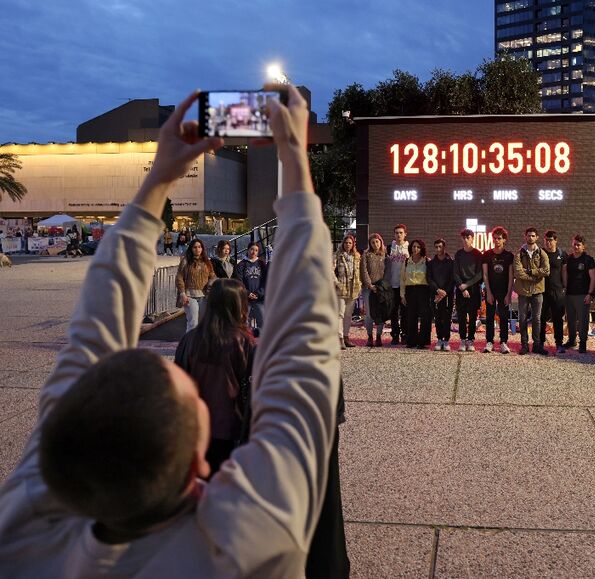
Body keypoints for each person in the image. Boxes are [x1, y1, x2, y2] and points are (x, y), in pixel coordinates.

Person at [0, 85, 342, 576]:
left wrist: (157, 178)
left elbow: (303, 348)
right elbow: (302, 349)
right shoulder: (242, 547)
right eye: (193, 400)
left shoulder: (22, 529)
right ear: (197, 469)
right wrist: (293, 153)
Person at [174, 278, 255, 475]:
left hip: (195, 427)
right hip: (231, 428)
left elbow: (177, 383)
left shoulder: (189, 339)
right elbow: (253, 388)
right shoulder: (243, 342)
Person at [514, 227, 550, 355]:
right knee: (522, 319)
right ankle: (524, 345)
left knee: (537, 319)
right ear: (525, 237)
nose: (530, 238)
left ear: (537, 237)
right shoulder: (519, 253)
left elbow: (546, 271)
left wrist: (530, 271)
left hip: (538, 291)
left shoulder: (542, 253)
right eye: (528, 236)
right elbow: (518, 272)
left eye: (533, 236)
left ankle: (537, 345)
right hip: (523, 292)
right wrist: (534, 276)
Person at [482, 226, 514, 354]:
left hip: (503, 291)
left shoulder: (509, 255)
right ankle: (489, 342)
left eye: (499, 238)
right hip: (491, 290)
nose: (496, 240)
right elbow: (485, 274)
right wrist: (488, 292)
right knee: (489, 317)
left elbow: (511, 276)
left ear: (504, 240)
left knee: (504, 317)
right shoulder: (487, 254)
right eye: (494, 238)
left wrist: (508, 294)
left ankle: (503, 342)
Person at [564, 234, 595, 353]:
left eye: (578, 245)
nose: (576, 247)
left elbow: (593, 278)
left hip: (583, 294)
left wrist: (590, 294)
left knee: (583, 320)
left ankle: (582, 342)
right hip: (569, 294)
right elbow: (566, 275)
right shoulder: (569, 259)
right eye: (574, 244)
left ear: (584, 246)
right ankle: (571, 340)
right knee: (571, 319)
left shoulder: (588, 260)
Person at [176, 238, 216, 332]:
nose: (197, 249)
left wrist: (210, 284)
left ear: (202, 249)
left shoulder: (207, 262)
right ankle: (189, 345)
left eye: (199, 247)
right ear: (191, 249)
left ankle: (199, 345)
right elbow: (179, 277)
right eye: (194, 247)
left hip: (204, 296)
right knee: (193, 323)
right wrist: (182, 294)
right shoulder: (185, 261)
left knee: (203, 323)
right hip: (189, 296)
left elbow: (213, 276)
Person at [454, 228, 483, 352]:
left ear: (472, 238)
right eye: (464, 238)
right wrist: (461, 286)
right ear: (461, 239)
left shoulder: (477, 254)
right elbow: (455, 272)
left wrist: (467, 285)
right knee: (461, 317)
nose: (466, 240)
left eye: (468, 237)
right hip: (461, 289)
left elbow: (479, 274)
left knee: (472, 317)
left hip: (473, 290)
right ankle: (462, 340)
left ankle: (470, 340)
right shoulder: (458, 254)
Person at [400, 239, 432, 349]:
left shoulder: (427, 261)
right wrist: (402, 294)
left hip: (423, 290)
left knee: (425, 317)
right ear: (410, 248)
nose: (415, 249)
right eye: (414, 247)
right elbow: (402, 279)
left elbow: (431, 278)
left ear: (422, 249)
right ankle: (411, 341)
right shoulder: (406, 262)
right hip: (410, 290)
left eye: (418, 247)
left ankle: (422, 341)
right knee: (411, 316)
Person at [539, 230, 567, 353]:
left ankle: (559, 343)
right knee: (541, 318)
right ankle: (540, 342)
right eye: (546, 240)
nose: (548, 243)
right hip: (542, 290)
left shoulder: (561, 254)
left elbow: (564, 272)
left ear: (555, 240)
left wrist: (565, 287)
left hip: (557, 291)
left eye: (550, 240)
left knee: (557, 318)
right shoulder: (540, 253)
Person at [334, 234, 362, 350]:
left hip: (353, 288)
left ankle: (346, 336)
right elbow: (330, 271)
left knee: (348, 315)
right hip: (341, 288)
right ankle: (339, 338)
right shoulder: (337, 256)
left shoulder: (356, 256)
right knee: (340, 314)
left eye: (350, 243)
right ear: (343, 243)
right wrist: (337, 283)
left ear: (353, 244)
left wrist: (359, 284)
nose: (348, 245)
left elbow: (359, 272)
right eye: (346, 243)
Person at [428, 238, 455, 351]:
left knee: (447, 318)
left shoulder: (451, 262)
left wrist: (445, 292)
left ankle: (446, 340)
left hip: (447, 295)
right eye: (436, 247)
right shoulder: (431, 263)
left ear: (444, 247)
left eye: (440, 246)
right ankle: (439, 339)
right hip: (436, 295)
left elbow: (452, 279)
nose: (438, 249)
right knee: (438, 318)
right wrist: (437, 290)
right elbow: (429, 278)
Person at [233, 242, 268, 332]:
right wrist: (247, 293)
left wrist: (258, 293)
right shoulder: (241, 264)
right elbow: (239, 281)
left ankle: (262, 345)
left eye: (256, 250)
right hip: (245, 299)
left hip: (259, 299)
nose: (253, 252)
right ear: (248, 250)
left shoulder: (262, 264)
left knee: (263, 323)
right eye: (252, 249)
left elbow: (266, 281)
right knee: (243, 324)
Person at [361, 233, 387, 347]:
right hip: (369, 288)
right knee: (369, 314)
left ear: (380, 242)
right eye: (372, 242)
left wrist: (382, 286)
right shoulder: (366, 255)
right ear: (370, 244)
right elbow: (364, 271)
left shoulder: (385, 255)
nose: (375, 244)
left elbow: (387, 272)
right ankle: (370, 336)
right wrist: (370, 285)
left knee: (380, 313)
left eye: (377, 241)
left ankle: (379, 336)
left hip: (381, 288)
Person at [386, 224, 410, 345]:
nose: (398, 235)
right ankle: (395, 334)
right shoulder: (389, 247)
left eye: (401, 232)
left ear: (405, 234)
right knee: (393, 312)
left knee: (405, 312)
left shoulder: (409, 248)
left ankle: (405, 334)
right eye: (396, 233)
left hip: (405, 286)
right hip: (392, 285)